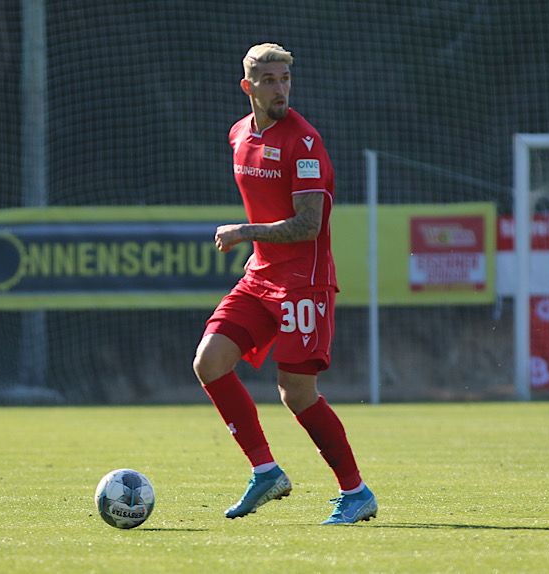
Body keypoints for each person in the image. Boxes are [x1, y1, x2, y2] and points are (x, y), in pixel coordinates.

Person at [192, 43, 377, 525]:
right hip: (260, 277)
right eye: (270, 80)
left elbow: (309, 224)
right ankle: (265, 470)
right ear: (248, 86)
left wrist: (244, 232)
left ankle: (356, 492)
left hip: (303, 282)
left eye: (285, 79)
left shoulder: (305, 143)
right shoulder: (238, 134)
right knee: (209, 362)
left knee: (296, 391)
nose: (280, 89)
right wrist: (254, 244)